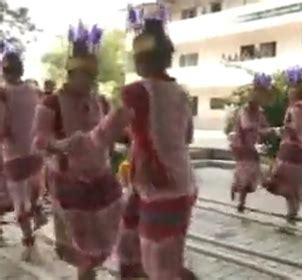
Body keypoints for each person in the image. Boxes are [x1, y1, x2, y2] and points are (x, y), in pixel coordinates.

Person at [32, 23, 128, 280]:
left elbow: (110, 134)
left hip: (102, 180)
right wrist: (61, 145)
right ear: (71, 74)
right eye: (85, 77)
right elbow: (39, 141)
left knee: (106, 243)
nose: (90, 83)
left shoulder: (100, 100)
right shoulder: (51, 102)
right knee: (83, 251)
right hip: (69, 183)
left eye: (92, 77)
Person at [118, 6, 197, 279]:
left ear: (140, 59)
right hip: (178, 183)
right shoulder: (181, 93)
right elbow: (188, 136)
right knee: (160, 260)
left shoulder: (135, 92)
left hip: (157, 185)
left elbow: (108, 132)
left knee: (156, 268)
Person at [0, 52, 46, 261]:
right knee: (32, 195)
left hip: (14, 155)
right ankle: (37, 210)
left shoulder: (2, 94)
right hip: (35, 152)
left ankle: (29, 243)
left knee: (19, 203)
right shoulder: (33, 91)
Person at [263, 66, 302, 224]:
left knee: (280, 183)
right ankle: (292, 213)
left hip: (290, 152)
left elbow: (288, 129)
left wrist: (275, 131)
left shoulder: (292, 110)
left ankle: (291, 213)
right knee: (295, 186)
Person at [229, 73, 273, 213]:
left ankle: (238, 192)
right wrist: (260, 129)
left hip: (249, 145)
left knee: (249, 173)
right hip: (241, 145)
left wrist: (273, 130)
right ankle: (239, 196)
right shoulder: (245, 110)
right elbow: (246, 125)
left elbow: (265, 126)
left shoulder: (259, 112)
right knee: (248, 171)